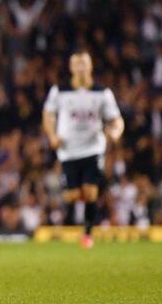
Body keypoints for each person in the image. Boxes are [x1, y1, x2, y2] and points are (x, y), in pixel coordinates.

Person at [42, 52, 124, 248]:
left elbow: (116, 120)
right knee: (71, 196)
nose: (80, 67)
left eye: (83, 63)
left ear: (90, 67)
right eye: (76, 63)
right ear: (70, 68)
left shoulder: (102, 93)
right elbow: (48, 114)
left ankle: (88, 234)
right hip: (68, 151)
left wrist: (115, 133)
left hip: (93, 148)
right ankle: (79, 204)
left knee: (90, 192)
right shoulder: (59, 91)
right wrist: (52, 136)